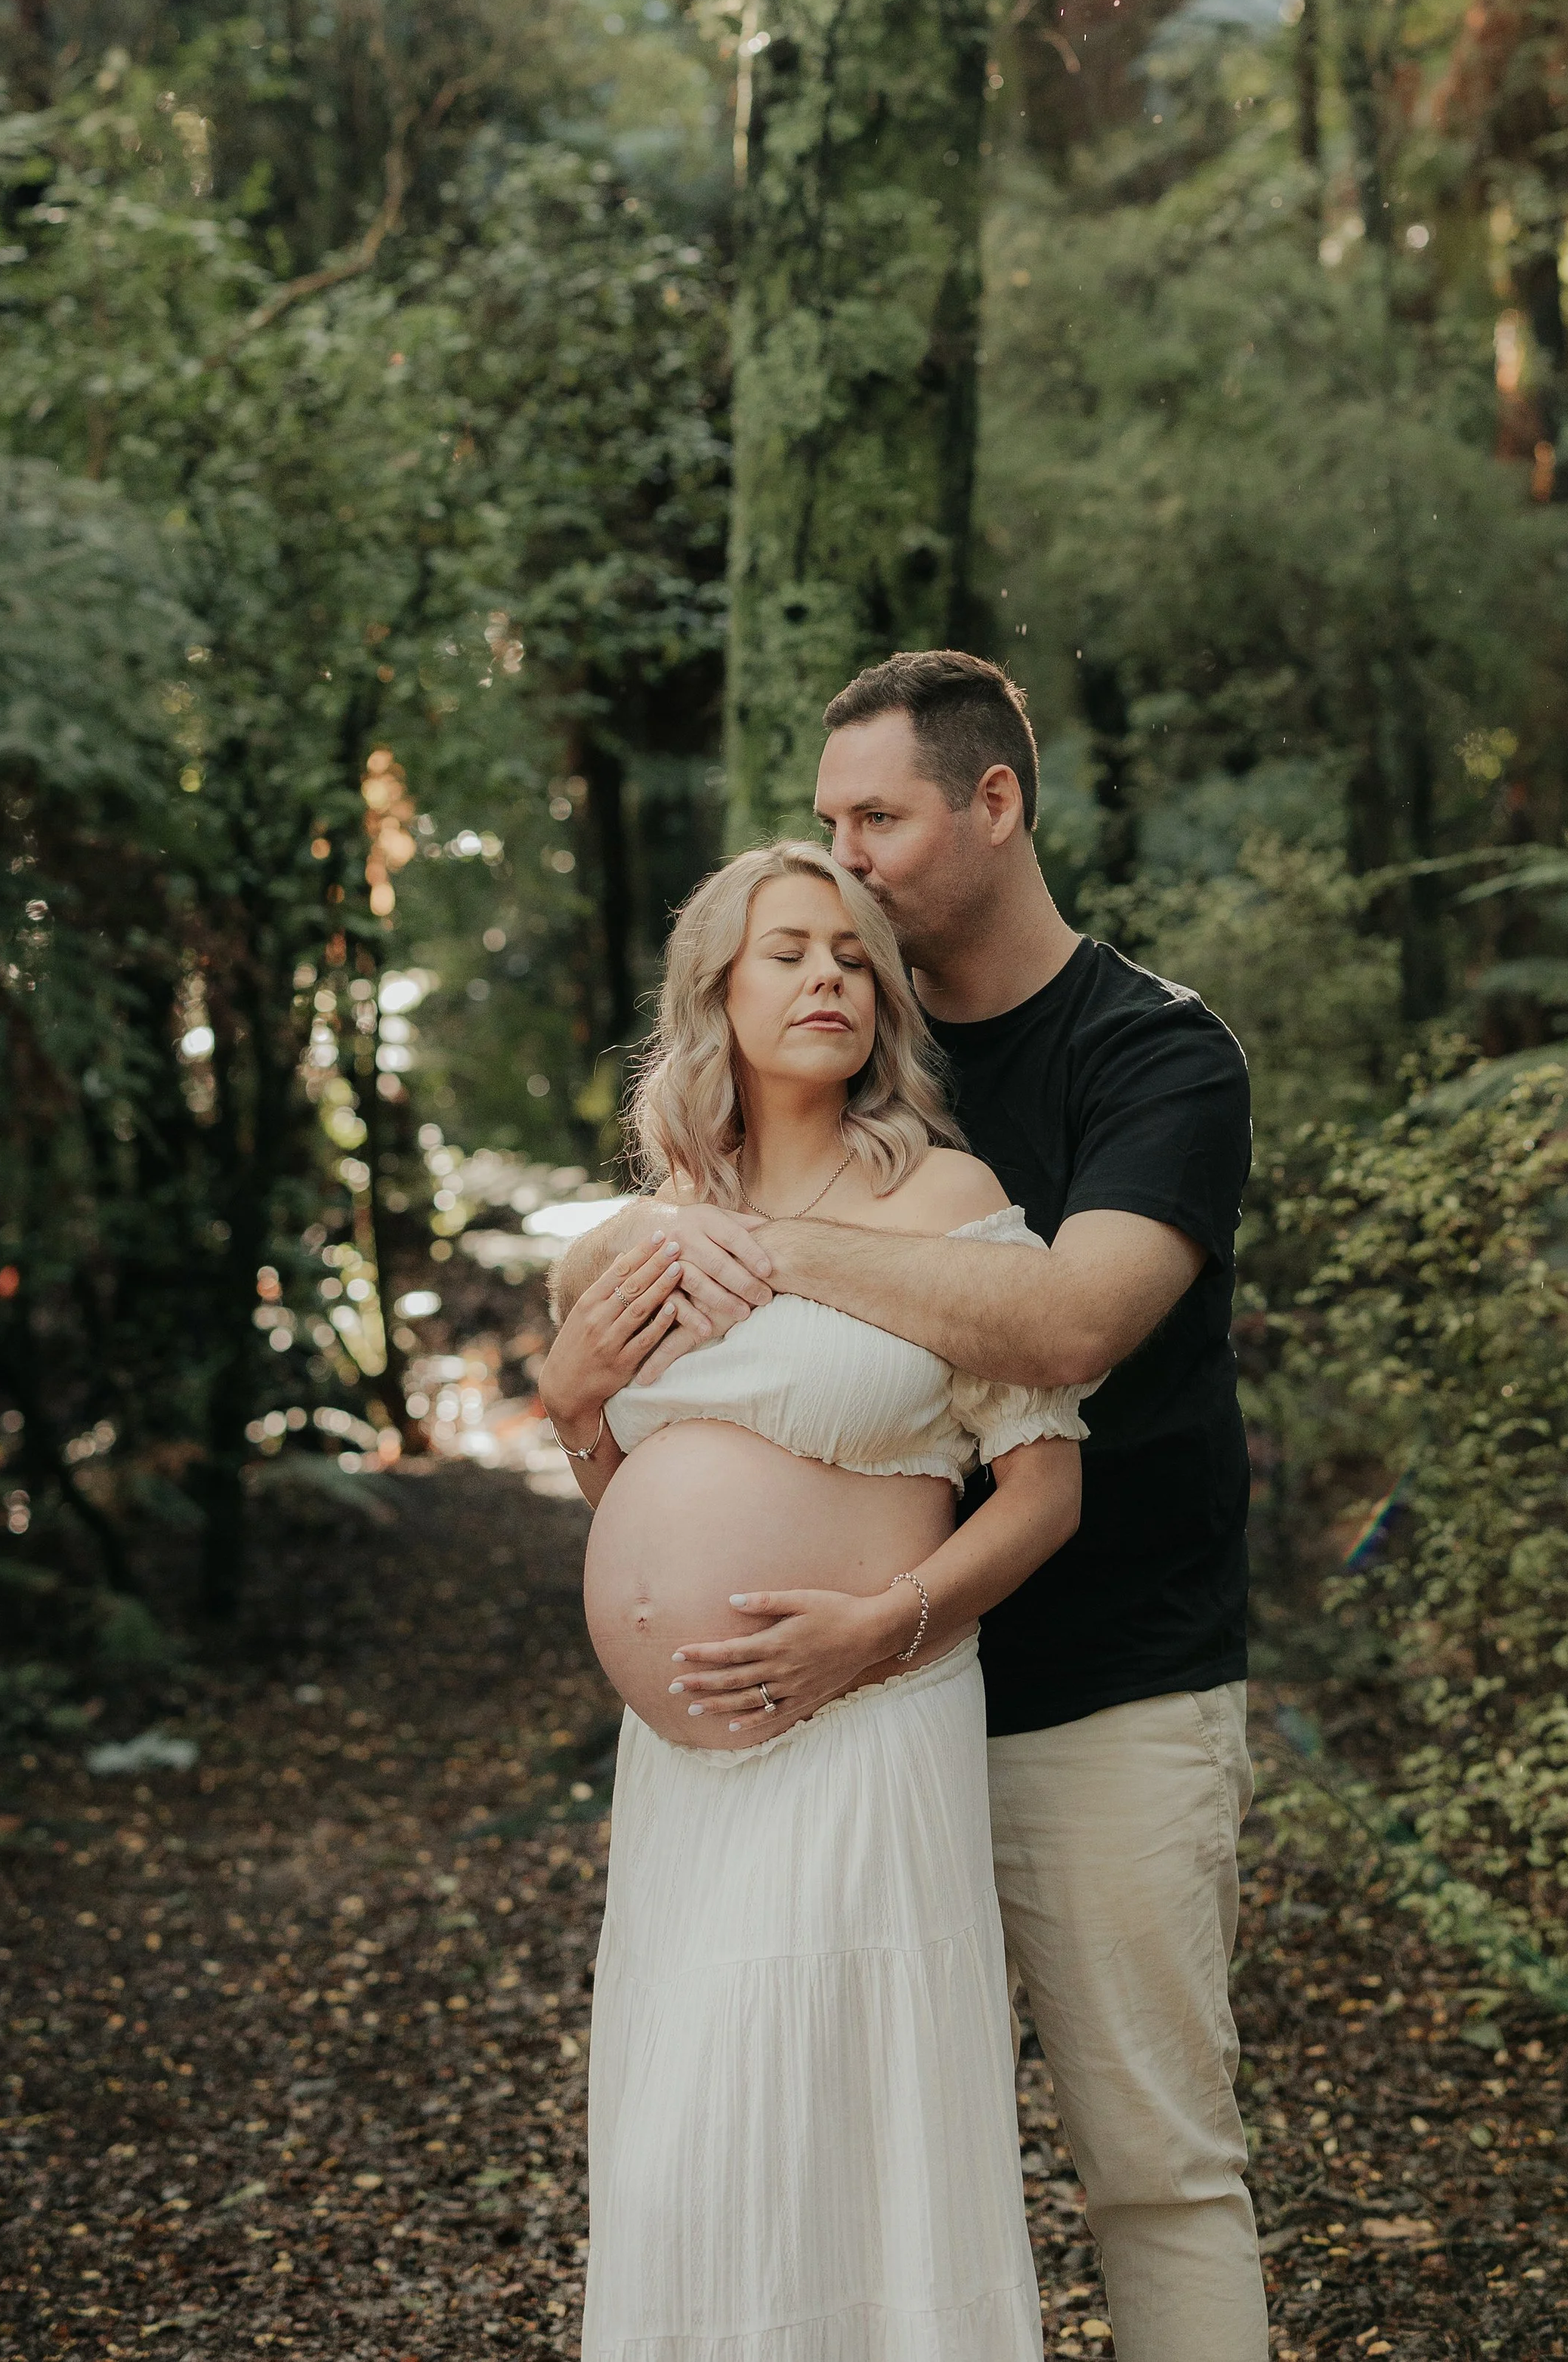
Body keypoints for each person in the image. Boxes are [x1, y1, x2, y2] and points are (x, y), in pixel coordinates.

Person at [555, 651, 1268, 2362]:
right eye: (823, 833)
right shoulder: (839, 1042)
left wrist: (780, 1245)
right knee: (771, 2156)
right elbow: (642, 1403)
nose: (843, 866)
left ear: (992, 803)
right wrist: (584, 1379)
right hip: (794, 1741)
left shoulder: (1150, 1056)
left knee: (1150, 2163)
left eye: (874, 820)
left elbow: (1070, 1330)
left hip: (1101, 1684)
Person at [539, 836, 1098, 2362]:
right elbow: (627, 1505)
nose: (826, 978)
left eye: (853, 953)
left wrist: (880, 1627)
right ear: (715, 991)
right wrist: (576, 1413)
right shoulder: (646, 1236)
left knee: (855, 2133)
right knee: (688, 2145)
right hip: (693, 1770)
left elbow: (1044, 1492)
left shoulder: (947, 1203)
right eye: (786, 950)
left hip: (872, 1727)